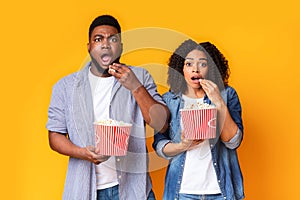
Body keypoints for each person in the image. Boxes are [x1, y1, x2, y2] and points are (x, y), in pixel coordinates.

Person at [46, 14, 169, 200]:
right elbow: (54, 135)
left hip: (134, 190)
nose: (105, 44)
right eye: (98, 39)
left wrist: (136, 87)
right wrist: (82, 153)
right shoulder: (65, 87)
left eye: (112, 39)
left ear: (121, 47)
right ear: (89, 47)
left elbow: (162, 124)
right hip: (84, 191)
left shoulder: (140, 77)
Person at [153, 39, 244, 200]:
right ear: (180, 69)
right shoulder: (168, 100)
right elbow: (160, 145)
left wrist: (218, 102)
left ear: (212, 68)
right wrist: (182, 145)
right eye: (189, 64)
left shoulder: (227, 95)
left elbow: (233, 141)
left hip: (220, 191)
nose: (195, 69)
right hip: (182, 191)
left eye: (202, 64)